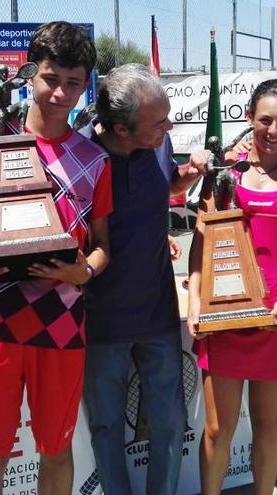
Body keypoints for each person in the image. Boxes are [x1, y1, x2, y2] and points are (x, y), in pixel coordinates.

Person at [0, 21, 112, 495]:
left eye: (74, 83)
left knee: (56, 452)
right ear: (30, 75)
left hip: (62, 324)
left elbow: (102, 245)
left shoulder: (94, 158)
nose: (61, 93)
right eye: (51, 78)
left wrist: (87, 270)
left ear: (86, 86)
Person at [187, 79, 277, 495]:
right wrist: (195, 300)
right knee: (217, 430)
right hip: (224, 314)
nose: (273, 130)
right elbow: (202, 244)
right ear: (249, 119)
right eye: (265, 120)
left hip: (275, 317)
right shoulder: (223, 175)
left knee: (268, 428)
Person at [78, 63, 208, 495]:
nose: (169, 127)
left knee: (170, 422)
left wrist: (188, 174)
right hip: (99, 318)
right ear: (120, 127)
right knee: (106, 426)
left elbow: (167, 183)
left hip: (157, 313)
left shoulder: (160, 141)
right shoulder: (80, 157)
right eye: (158, 122)